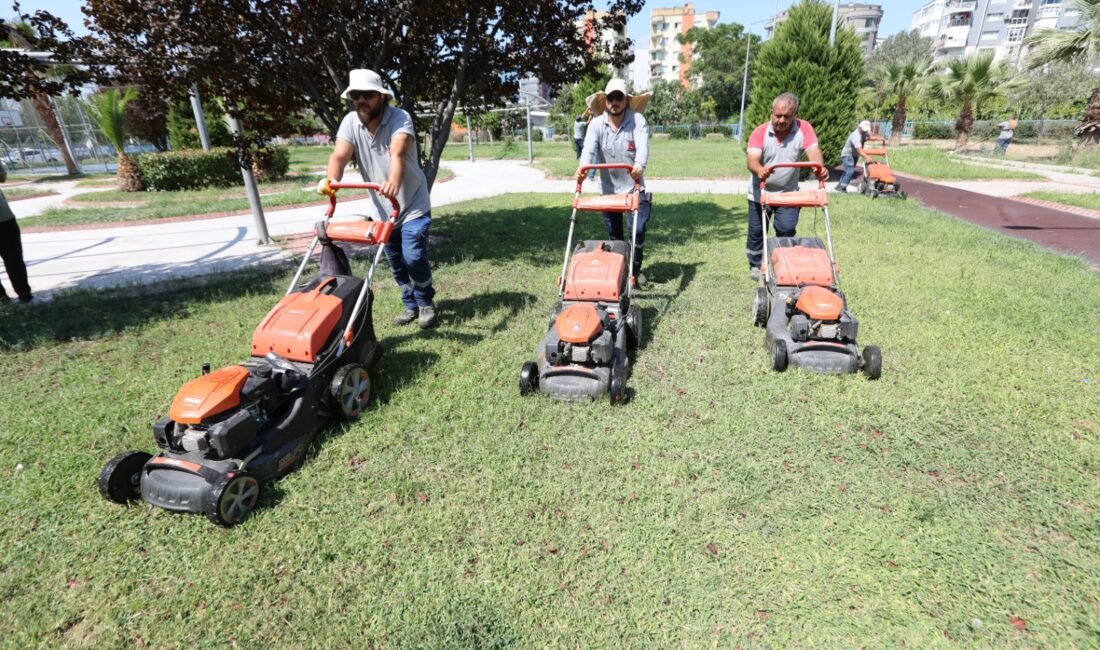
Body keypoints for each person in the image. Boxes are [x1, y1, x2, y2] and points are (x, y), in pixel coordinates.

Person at [318, 69, 437, 329]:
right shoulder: (350, 122)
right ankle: (410, 304)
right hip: (382, 209)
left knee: (413, 256)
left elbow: (398, 150)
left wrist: (394, 181)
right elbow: (339, 155)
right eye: (356, 95)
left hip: (413, 203)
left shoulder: (399, 117)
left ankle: (425, 301)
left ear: (381, 97)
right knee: (395, 261)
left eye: (368, 95)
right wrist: (331, 183)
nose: (362, 100)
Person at [575, 78, 652, 287]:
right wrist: (582, 169)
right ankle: (620, 273)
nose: (614, 102)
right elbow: (588, 150)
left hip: (635, 187)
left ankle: (634, 271)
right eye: (611, 98)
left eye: (619, 97)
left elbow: (643, 147)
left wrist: (639, 165)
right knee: (616, 237)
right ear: (605, 100)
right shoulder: (597, 125)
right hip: (609, 190)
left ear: (626, 100)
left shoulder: (637, 120)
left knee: (637, 231)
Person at [744, 92, 828, 282]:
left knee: (786, 228)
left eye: (786, 116)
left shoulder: (803, 129)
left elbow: (814, 152)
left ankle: (782, 260)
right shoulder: (760, 132)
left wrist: (819, 169)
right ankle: (756, 265)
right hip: (761, 192)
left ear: (795, 115)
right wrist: (760, 170)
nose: (781, 120)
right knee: (757, 231)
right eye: (778, 115)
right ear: (771, 113)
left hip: (788, 193)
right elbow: (752, 160)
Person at [0, 161, 32, 304]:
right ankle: (23, 292)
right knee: (14, 259)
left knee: (14, 259)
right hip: (4, 220)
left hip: (5, 219)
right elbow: (2, 176)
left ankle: (3, 297)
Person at [836, 120, 872, 193]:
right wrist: (866, 157)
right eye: (864, 130)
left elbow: (865, 139)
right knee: (849, 171)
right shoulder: (855, 136)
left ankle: (839, 186)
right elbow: (859, 149)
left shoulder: (863, 133)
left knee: (847, 171)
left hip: (854, 155)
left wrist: (868, 137)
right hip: (848, 155)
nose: (865, 131)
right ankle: (842, 188)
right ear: (860, 128)